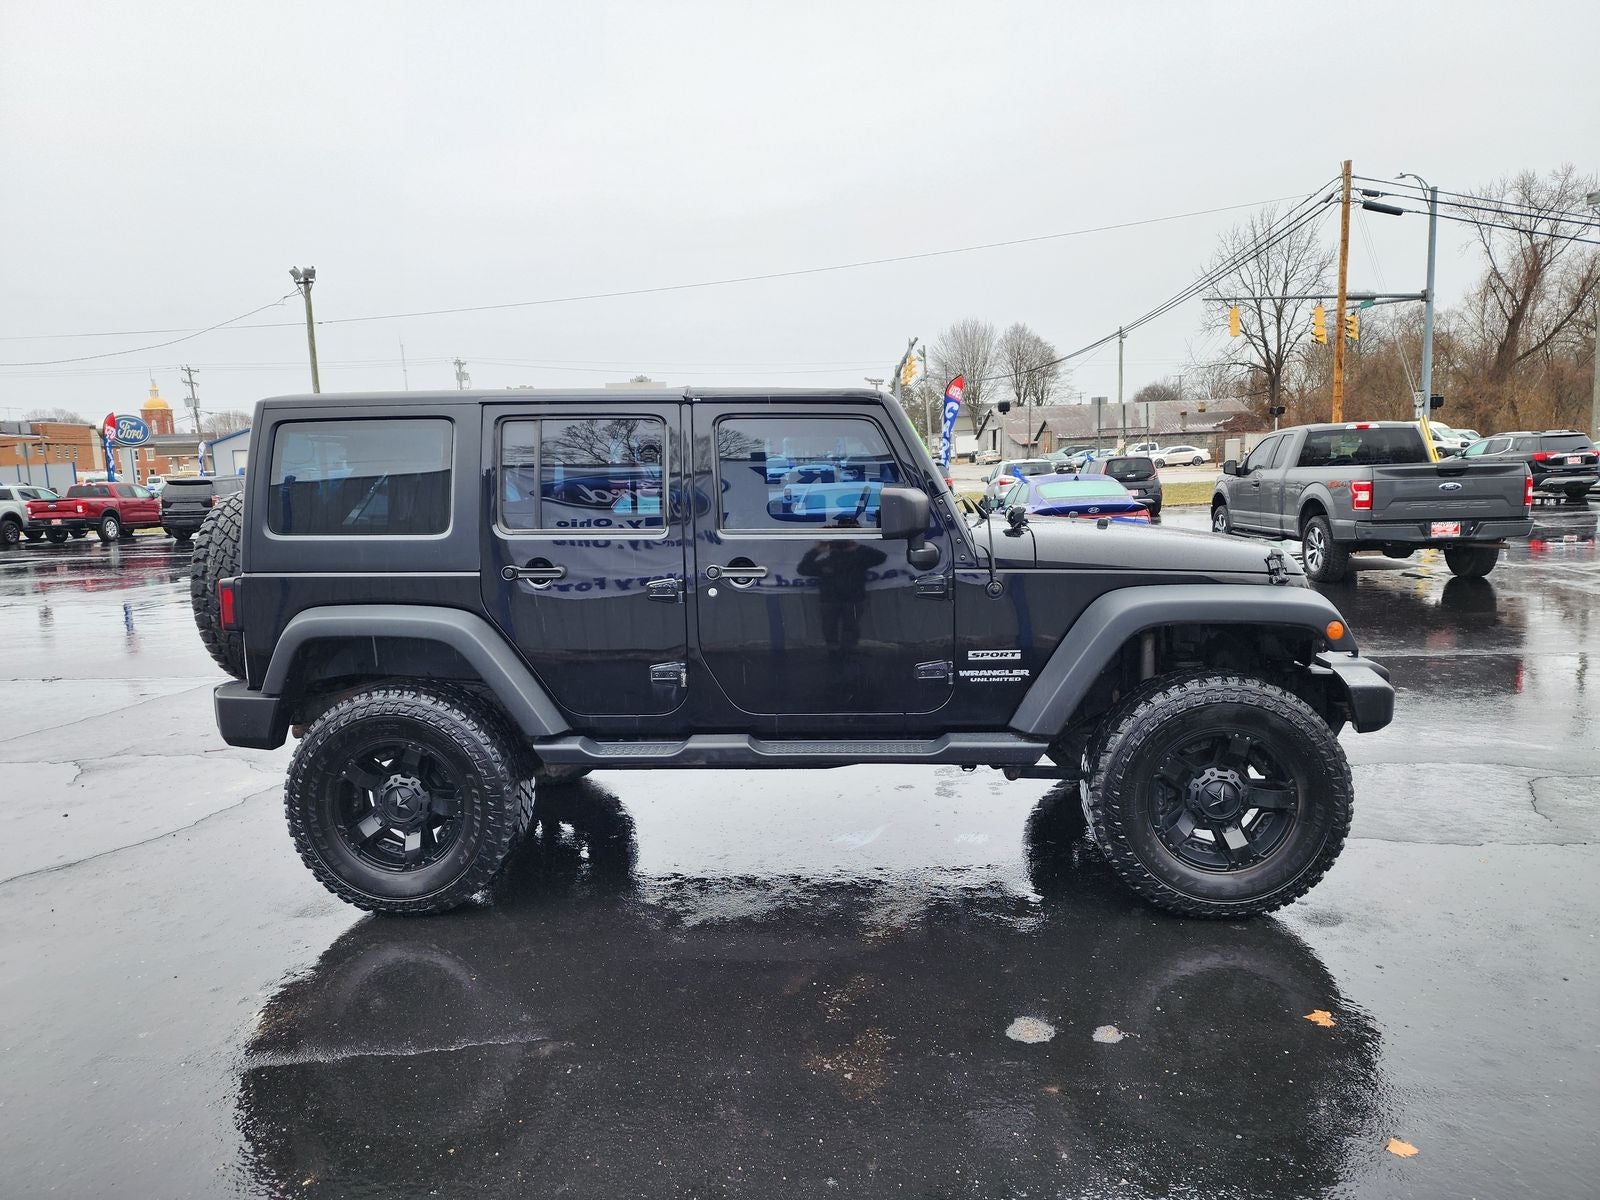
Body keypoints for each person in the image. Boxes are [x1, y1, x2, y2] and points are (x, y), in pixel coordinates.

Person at [796, 539, 887, 655]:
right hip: (836, 601)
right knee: (836, 628)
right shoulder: (853, 560)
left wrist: (855, 546)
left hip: (848, 600)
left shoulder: (857, 560)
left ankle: (842, 651)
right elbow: (802, 569)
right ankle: (837, 651)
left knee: (845, 628)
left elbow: (881, 557)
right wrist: (817, 551)